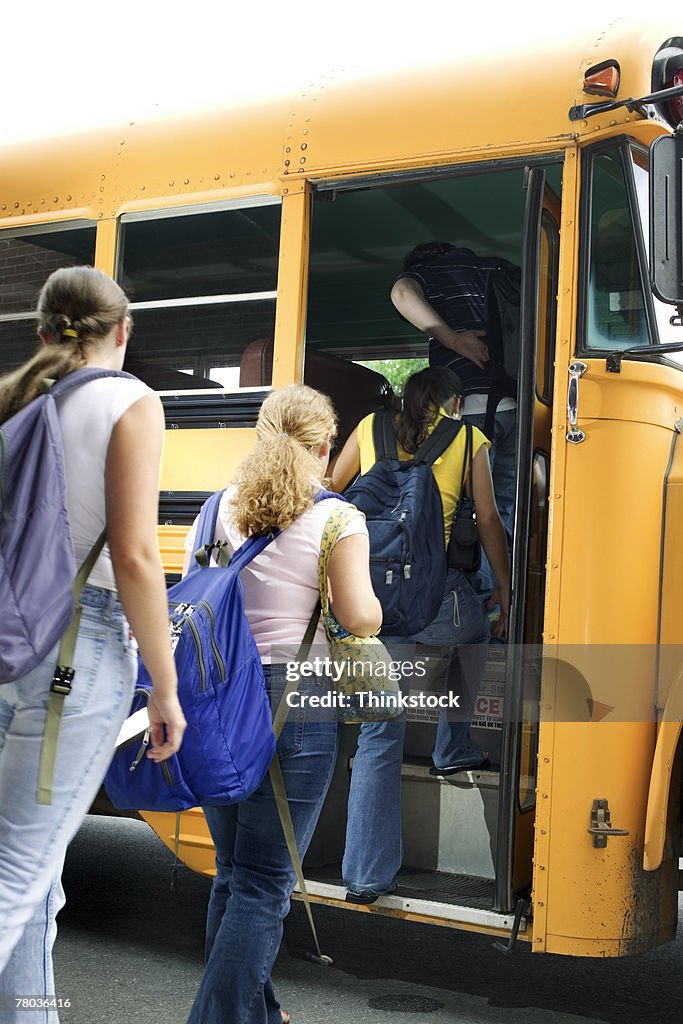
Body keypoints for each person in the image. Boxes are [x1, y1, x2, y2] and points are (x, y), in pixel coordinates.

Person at [0, 267, 186, 1020]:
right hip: (79, 647)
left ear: (43, 332)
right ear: (124, 329)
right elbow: (137, 557)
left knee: (34, 878)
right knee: (17, 874)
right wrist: (166, 687)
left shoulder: (21, 402)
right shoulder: (130, 402)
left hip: (14, 644)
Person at [182, 385, 381, 1024]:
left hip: (215, 700)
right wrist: (369, 608)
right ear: (325, 449)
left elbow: (190, 597)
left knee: (234, 873)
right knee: (266, 883)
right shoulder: (337, 519)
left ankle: (257, 1013)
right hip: (296, 703)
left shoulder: (215, 510)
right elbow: (360, 615)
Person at [332, 367, 510, 903]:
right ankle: (453, 743)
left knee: (379, 733)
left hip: (372, 601)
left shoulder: (370, 429)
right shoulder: (468, 438)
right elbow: (487, 521)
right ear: (454, 403)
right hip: (438, 600)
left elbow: (329, 493)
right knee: (480, 633)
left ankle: (365, 874)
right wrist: (505, 586)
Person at [390, 241, 519, 604]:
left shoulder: (431, 274)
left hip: (470, 409)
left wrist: (452, 340)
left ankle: (469, 605)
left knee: (468, 511)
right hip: (516, 406)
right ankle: (502, 596)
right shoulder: (495, 269)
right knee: (500, 509)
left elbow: (402, 293)